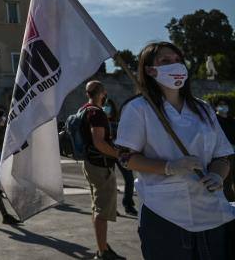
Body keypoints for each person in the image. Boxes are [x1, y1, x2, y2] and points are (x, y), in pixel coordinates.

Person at [117, 42, 234, 260]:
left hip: (212, 215)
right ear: (150, 70)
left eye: (178, 60)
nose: (176, 66)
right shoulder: (138, 109)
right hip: (165, 217)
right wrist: (168, 167)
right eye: (166, 61)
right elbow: (125, 157)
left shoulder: (204, 109)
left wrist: (218, 174)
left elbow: (222, 155)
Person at [77, 81, 125, 260]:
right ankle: (103, 252)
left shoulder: (84, 109)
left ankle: (102, 246)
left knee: (97, 207)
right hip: (99, 165)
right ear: (102, 93)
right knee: (102, 210)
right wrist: (118, 154)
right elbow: (99, 142)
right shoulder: (96, 113)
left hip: (89, 162)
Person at [104, 99, 137, 216]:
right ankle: (112, 207)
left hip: (120, 153)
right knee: (110, 181)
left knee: (129, 179)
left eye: (108, 107)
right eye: (104, 106)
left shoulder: (119, 121)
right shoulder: (101, 121)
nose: (106, 109)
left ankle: (128, 204)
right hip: (107, 153)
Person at [213, 99, 235, 202]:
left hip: (232, 151)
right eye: (220, 104)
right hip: (221, 154)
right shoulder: (214, 119)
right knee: (224, 178)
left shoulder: (231, 121)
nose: (223, 107)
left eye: (225, 104)